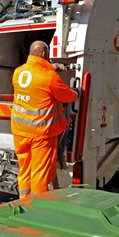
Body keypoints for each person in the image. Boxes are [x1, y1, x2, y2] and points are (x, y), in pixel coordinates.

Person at [11, 40, 78, 199]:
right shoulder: (49, 77)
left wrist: (49, 67)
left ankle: (24, 201)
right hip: (41, 133)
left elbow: (35, 85)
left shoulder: (18, 72)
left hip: (20, 131)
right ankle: (37, 208)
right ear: (44, 54)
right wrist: (76, 92)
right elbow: (66, 96)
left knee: (25, 169)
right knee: (40, 173)